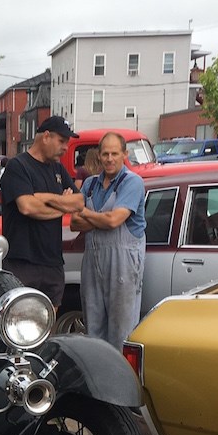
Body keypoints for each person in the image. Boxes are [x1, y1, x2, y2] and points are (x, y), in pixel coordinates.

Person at [71, 131, 147, 349]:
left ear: (125, 154)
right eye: (105, 154)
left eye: (115, 153)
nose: (110, 159)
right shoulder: (90, 184)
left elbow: (114, 220)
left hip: (123, 264)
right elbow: (74, 223)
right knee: (93, 329)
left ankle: (120, 371)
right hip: (93, 263)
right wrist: (100, 219)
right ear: (99, 155)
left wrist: (85, 213)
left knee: (122, 332)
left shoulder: (132, 182)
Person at [0, 116, 84, 306]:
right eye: (62, 141)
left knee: (49, 318)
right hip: (22, 262)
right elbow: (27, 207)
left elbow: (79, 202)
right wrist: (63, 204)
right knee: (21, 317)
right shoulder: (18, 166)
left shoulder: (58, 169)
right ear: (46, 136)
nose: (66, 147)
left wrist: (45, 198)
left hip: (53, 262)